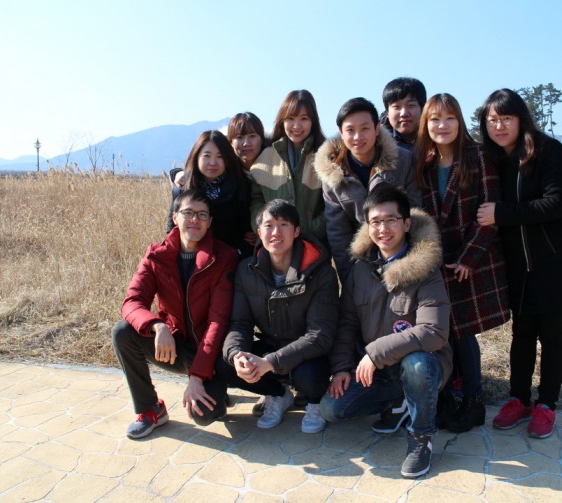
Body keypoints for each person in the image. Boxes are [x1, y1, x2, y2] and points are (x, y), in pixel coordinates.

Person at [476, 88, 562, 439]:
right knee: (522, 335)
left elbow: (556, 203)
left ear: (521, 119)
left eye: (506, 118)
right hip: (518, 268)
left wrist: (502, 213)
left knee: (553, 335)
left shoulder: (547, 150)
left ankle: (547, 404)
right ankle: (518, 399)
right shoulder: (492, 160)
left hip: (555, 264)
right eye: (492, 120)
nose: (499, 126)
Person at [320, 184, 452, 479]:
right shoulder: (360, 269)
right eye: (376, 222)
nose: (383, 229)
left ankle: (421, 436)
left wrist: (375, 353)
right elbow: (347, 323)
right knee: (332, 409)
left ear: (406, 224)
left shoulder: (426, 269)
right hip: (378, 372)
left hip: (423, 366)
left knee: (417, 364)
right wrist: (341, 367)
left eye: (391, 220)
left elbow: (434, 331)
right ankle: (399, 402)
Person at [415, 93, 510, 433]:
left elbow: (489, 212)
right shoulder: (424, 163)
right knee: (443, 331)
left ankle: (474, 400)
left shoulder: (478, 157)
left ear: (460, 122)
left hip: (471, 260)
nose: (442, 125)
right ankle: (444, 399)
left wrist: (468, 258)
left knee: (464, 331)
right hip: (437, 261)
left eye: (449, 118)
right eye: (435, 119)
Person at [113, 190, 239, 439]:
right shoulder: (156, 255)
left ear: (210, 222)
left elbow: (217, 321)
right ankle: (151, 410)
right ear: (175, 217)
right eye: (188, 213)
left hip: (208, 351)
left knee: (203, 413)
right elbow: (132, 302)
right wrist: (157, 326)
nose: (195, 220)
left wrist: (197, 376)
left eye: (202, 215)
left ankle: (217, 391)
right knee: (122, 332)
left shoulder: (224, 257)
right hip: (173, 345)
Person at [218, 199, 339, 433]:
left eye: (283, 225)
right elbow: (240, 323)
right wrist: (236, 355)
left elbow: (320, 336)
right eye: (269, 225)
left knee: (309, 376)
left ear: (296, 231)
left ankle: (314, 402)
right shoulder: (246, 270)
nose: (276, 232)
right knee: (224, 364)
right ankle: (278, 395)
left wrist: (270, 363)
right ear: (259, 232)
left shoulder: (321, 272)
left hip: (309, 353)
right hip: (271, 343)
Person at [315, 97, 421, 281]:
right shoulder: (332, 173)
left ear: (377, 128)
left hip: (401, 252)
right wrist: (349, 280)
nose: (358, 137)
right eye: (350, 130)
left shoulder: (403, 160)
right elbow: (338, 233)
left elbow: (415, 212)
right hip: (361, 259)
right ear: (341, 133)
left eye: (365, 128)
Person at [249, 90, 327, 245]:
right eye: (290, 118)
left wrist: (315, 226)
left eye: (304, 118)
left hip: (313, 244)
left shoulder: (325, 155)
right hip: (274, 245)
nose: (296, 126)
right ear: (282, 120)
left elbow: (334, 202)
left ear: (313, 121)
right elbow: (256, 200)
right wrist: (261, 224)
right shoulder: (266, 157)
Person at [166, 130, 255, 258]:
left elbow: (247, 232)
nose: (213, 162)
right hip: (192, 259)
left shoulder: (241, 186)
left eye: (220, 156)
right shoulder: (183, 188)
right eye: (206, 156)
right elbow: (172, 230)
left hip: (229, 259)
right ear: (196, 156)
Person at [380, 77, 427, 151]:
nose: (404, 113)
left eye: (411, 105)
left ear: (423, 109)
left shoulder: (437, 141)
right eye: (396, 107)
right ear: (387, 112)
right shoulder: (375, 144)